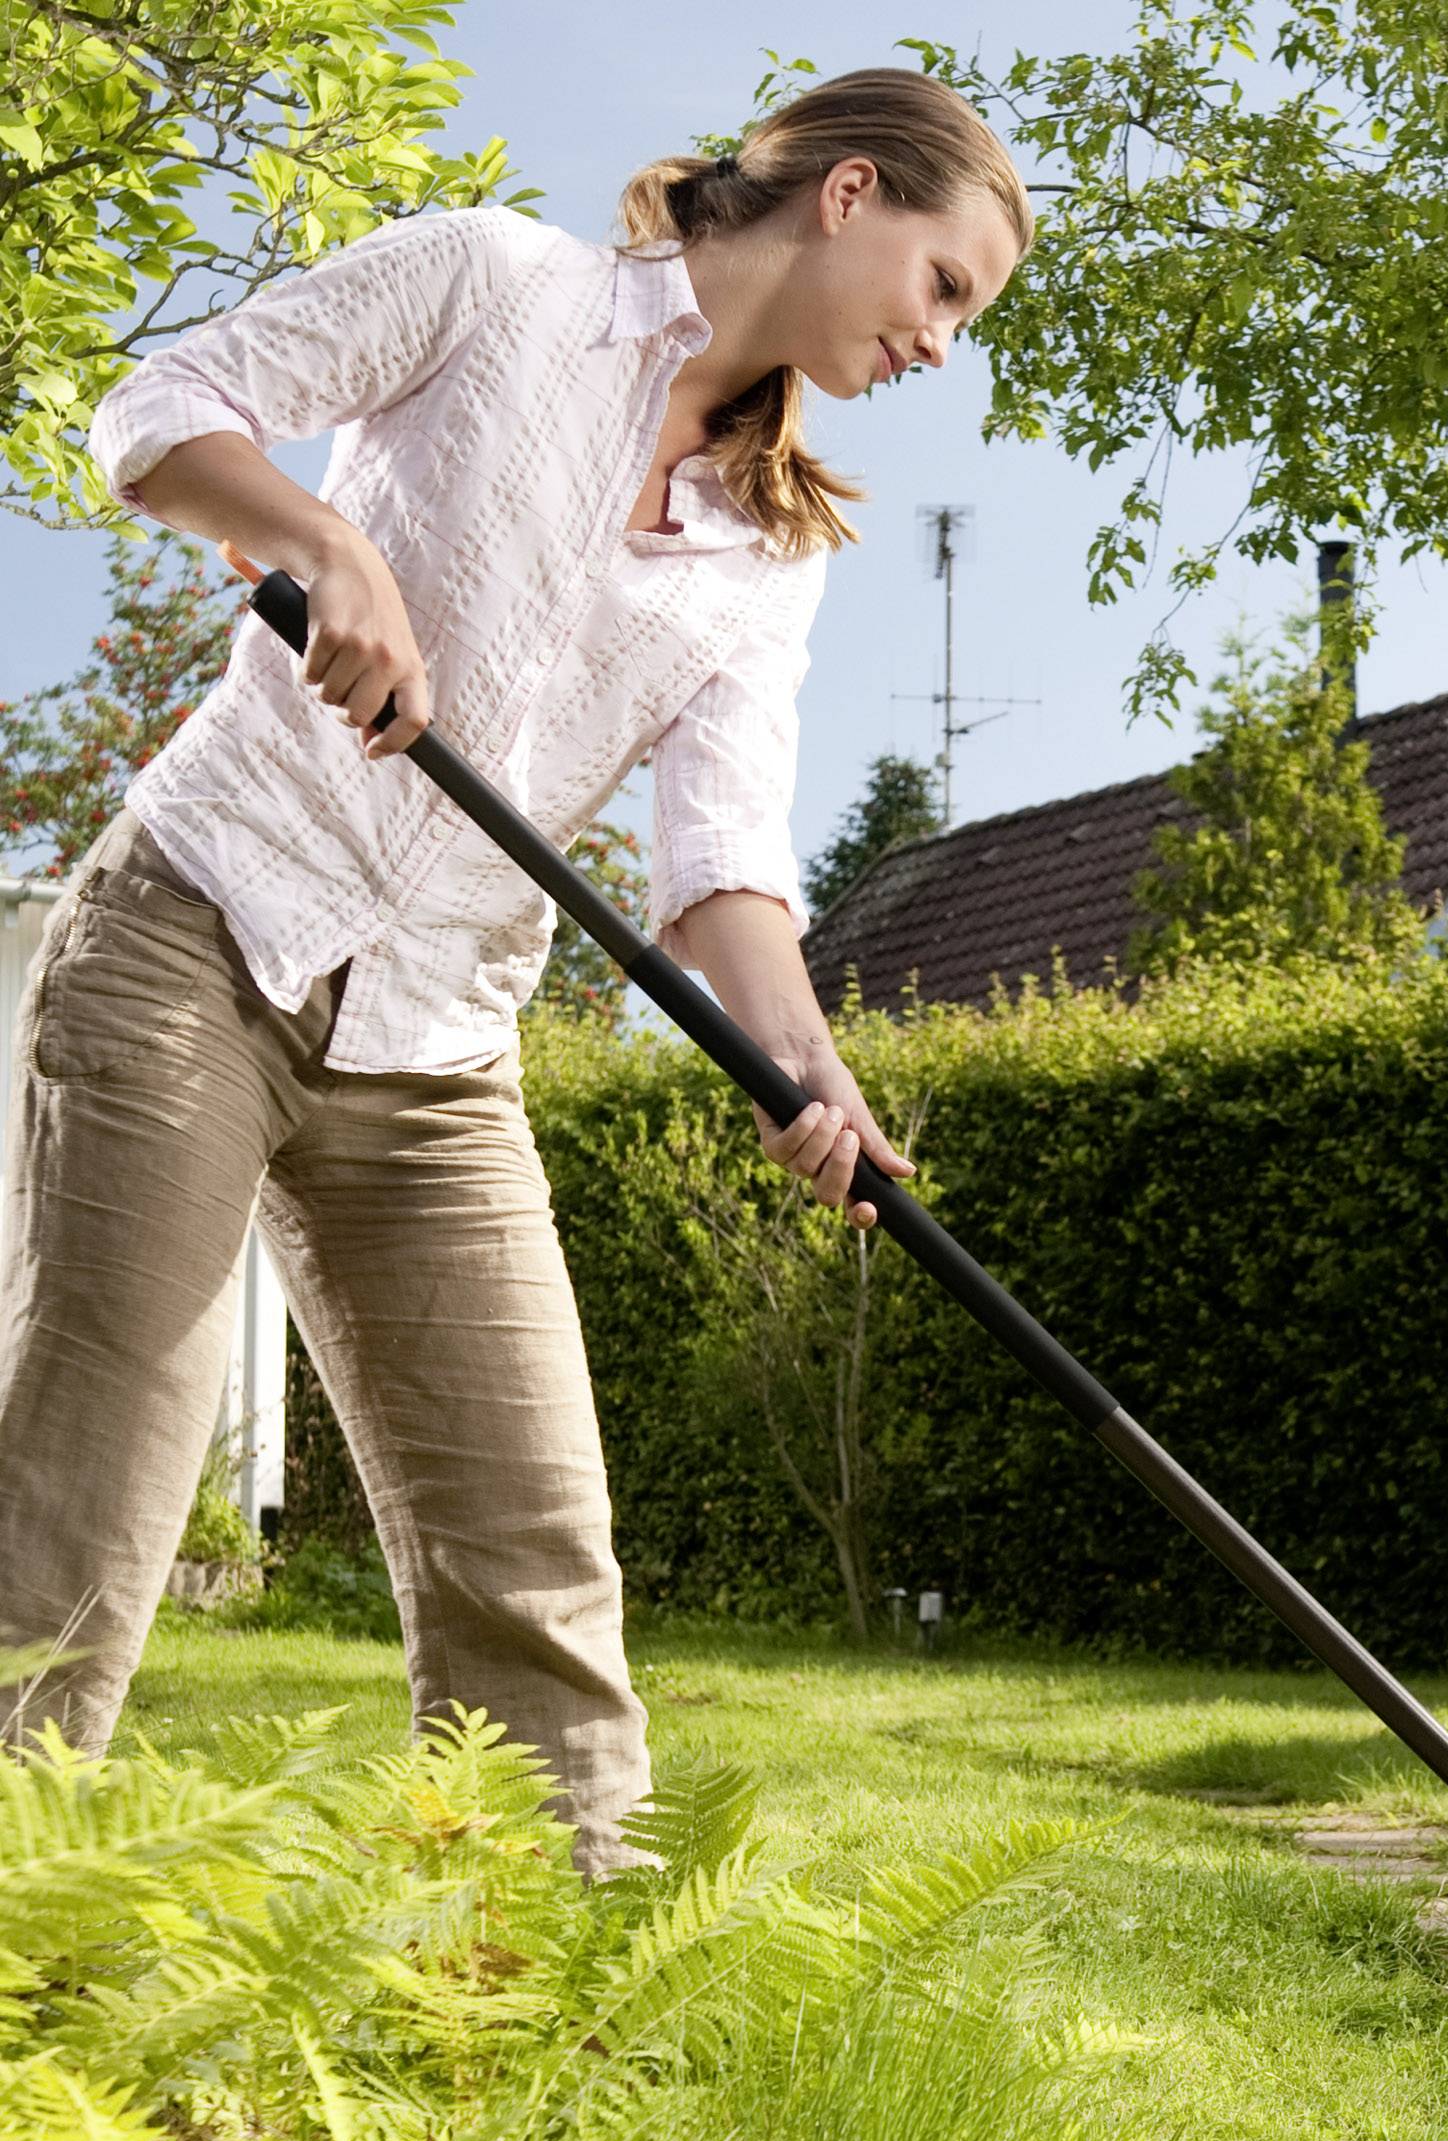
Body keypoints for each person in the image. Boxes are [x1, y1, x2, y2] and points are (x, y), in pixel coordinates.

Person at [0, 67, 1029, 1871]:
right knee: (97, 1486)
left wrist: (808, 1070)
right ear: (851, 194)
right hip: (201, 927)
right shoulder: (500, 284)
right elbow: (156, 409)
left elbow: (721, 866)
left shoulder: (773, 546)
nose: (945, 347)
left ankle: (548, 1990)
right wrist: (324, 545)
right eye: (947, 290)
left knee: (534, 1554)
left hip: (442, 1041)